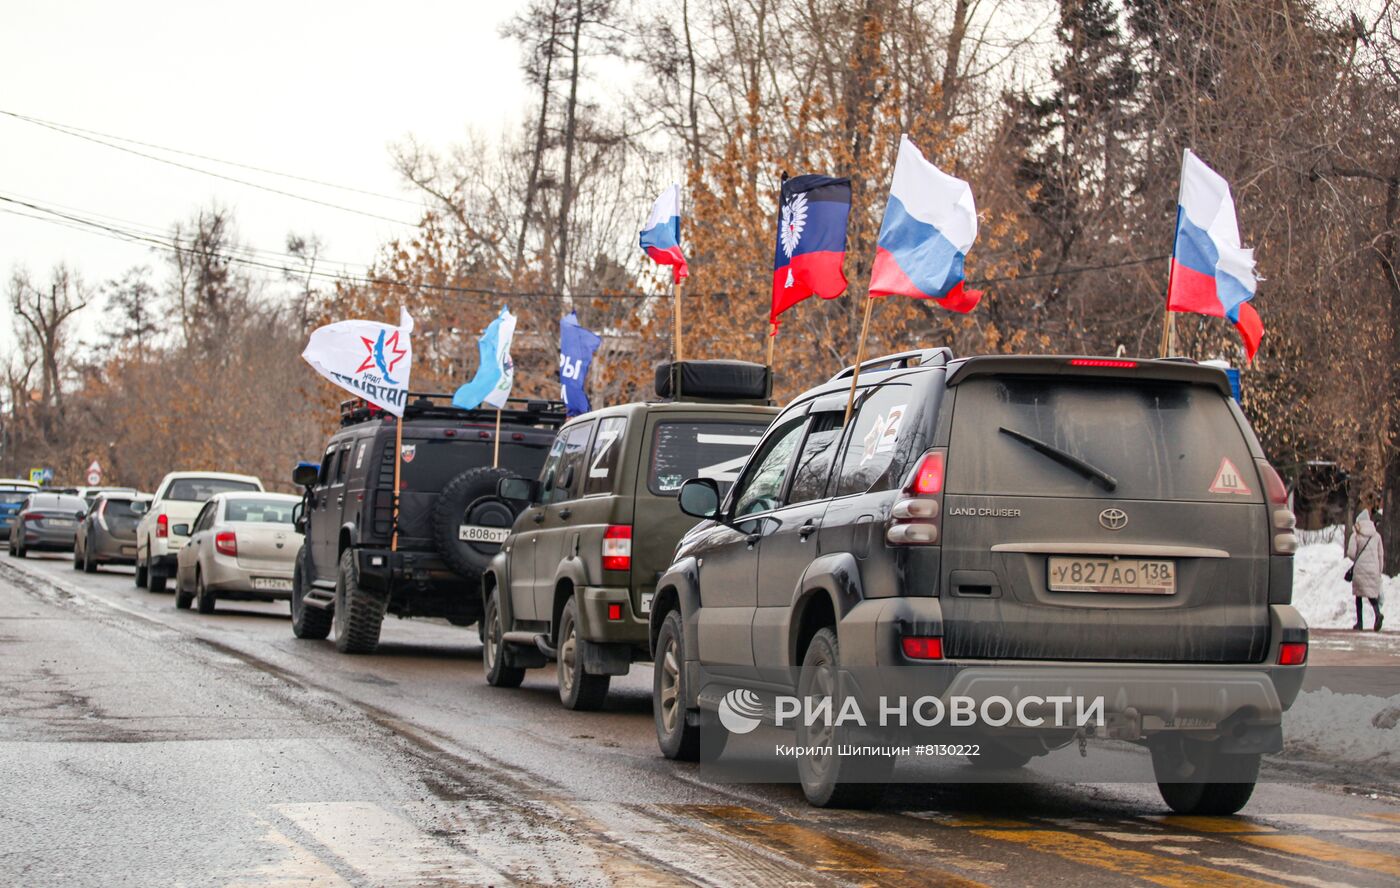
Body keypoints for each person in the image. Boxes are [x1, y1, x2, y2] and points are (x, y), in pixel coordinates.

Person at [1346, 508, 1385, 631]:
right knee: (1371, 595)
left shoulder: (1356, 534)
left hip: (1360, 569)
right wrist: (1379, 570)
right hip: (1373, 569)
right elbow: (1380, 555)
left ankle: (1360, 623)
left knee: (1359, 596)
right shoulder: (1376, 536)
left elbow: (1351, 554)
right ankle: (1377, 614)